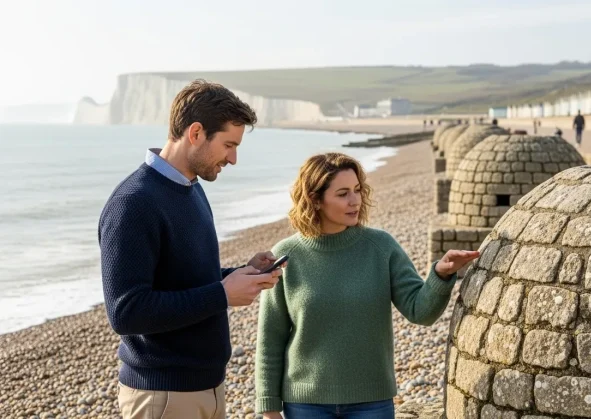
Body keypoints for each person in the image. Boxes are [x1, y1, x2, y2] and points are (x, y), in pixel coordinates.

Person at [99, 80, 283, 419]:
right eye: (228, 144)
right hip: (163, 396)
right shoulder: (133, 203)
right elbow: (126, 312)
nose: (234, 158)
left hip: (208, 389)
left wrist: (240, 275)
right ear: (196, 133)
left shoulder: (192, 189)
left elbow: (186, 279)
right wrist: (222, 295)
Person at [255, 153, 480, 419]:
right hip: (305, 403)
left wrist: (441, 275)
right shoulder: (287, 254)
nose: (355, 201)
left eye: (357, 190)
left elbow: (420, 311)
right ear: (316, 200)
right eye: (342, 194)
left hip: (372, 402)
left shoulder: (381, 247)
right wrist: (268, 408)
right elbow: (270, 339)